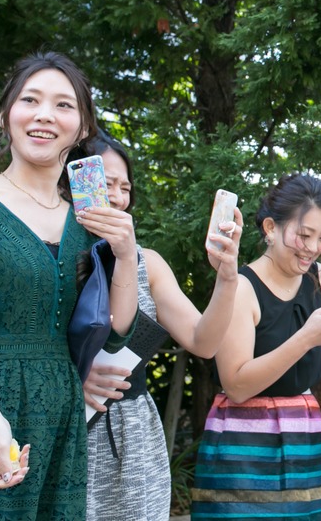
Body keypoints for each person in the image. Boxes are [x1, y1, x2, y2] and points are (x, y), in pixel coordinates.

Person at [0, 52, 139, 519]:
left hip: (60, 418)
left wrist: (125, 252)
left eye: (64, 105)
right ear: (5, 115)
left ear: (83, 126)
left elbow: (115, 330)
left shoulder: (88, 221)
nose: (46, 114)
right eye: (31, 99)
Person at [76, 131, 243, 519]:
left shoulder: (145, 261)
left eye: (125, 187)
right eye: (105, 184)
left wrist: (227, 276)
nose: (117, 197)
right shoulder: (45, 255)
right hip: (66, 425)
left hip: (133, 431)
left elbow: (204, 342)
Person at [191, 173, 321, 520]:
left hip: (305, 433)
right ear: (270, 227)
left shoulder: (319, 277)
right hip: (244, 440)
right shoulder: (240, 287)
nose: (312, 248)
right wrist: (307, 337)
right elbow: (236, 385)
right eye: (303, 235)